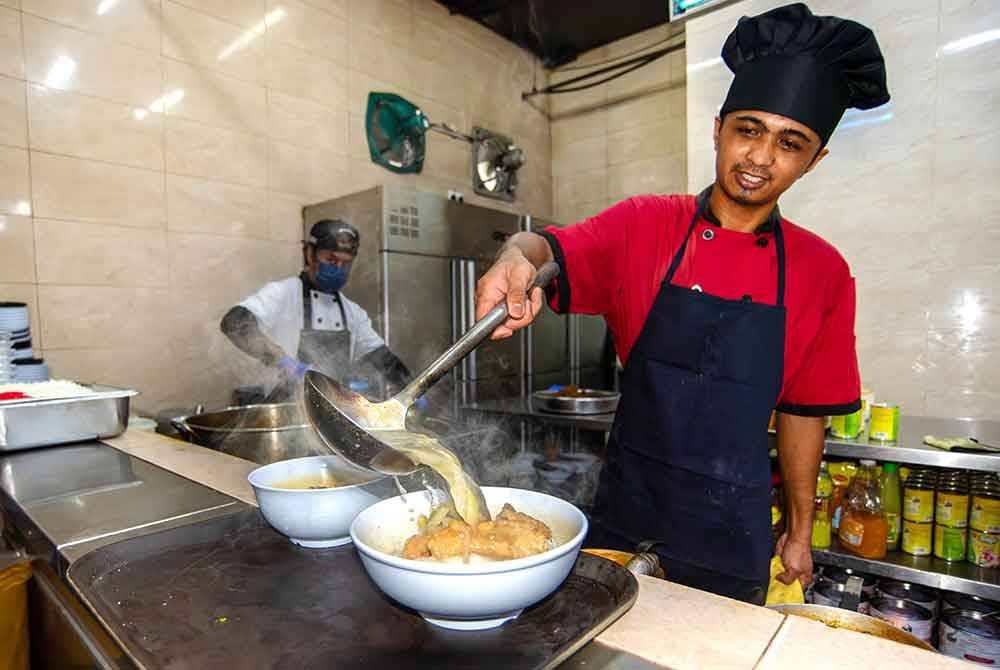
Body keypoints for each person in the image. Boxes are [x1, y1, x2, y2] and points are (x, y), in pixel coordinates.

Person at [474, 3, 889, 604]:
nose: (761, 158)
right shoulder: (643, 226)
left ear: (814, 159)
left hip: (731, 532)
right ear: (717, 128)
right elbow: (545, 246)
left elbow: (803, 412)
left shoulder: (823, 272)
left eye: (790, 143)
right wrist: (515, 256)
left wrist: (799, 532)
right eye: (748, 130)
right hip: (625, 511)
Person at [221, 219, 411, 400]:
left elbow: (382, 359)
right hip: (286, 407)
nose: (338, 268)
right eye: (331, 259)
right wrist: (283, 360)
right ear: (310, 254)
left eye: (346, 264)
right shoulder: (283, 293)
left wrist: (412, 391)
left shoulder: (352, 312)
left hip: (333, 408)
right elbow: (234, 322)